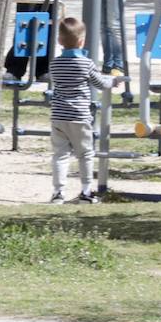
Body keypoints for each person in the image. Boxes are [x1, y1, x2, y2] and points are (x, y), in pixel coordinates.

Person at [47, 17, 117, 204]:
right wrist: (113, 81)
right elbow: (100, 84)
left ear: (59, 41)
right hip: (79, 116)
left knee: (60, 155)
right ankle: (86, 191)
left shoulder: (54, 64)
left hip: (59, 115)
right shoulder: (86, 64)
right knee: (85, 154)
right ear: (81, 41)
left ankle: (58, 192)